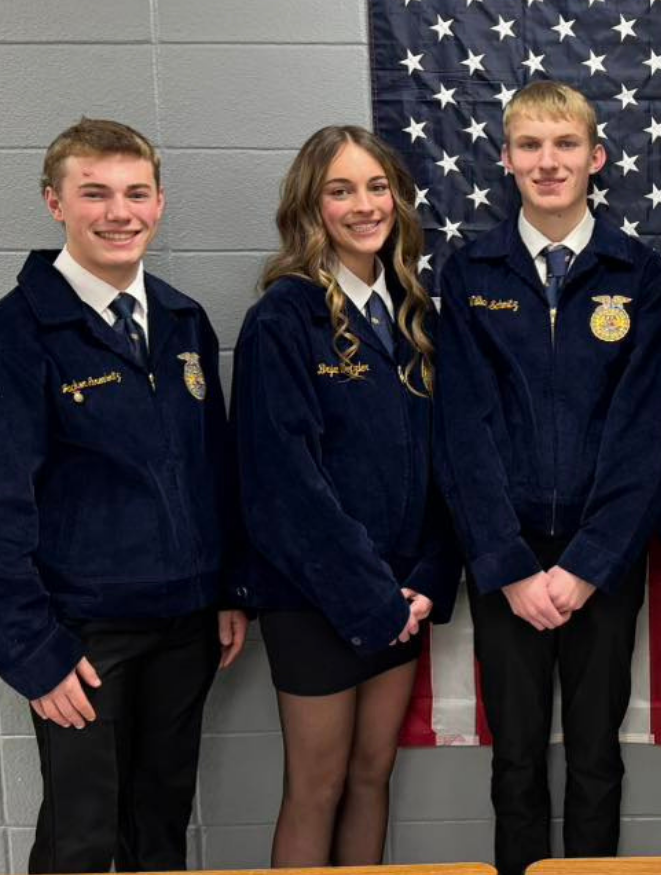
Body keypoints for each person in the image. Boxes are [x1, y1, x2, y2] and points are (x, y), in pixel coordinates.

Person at [0, 118, 249, 873]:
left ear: (160, 203)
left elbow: (213, 469)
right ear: (54, 203)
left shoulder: (181, 320)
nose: (119, 212)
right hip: (82, 639)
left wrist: (228, 586)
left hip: (186, 624)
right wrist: (34, 654)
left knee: (161, 828)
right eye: (95, 193)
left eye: (136, 193)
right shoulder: (1, 345)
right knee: (82, 835)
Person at [433, 81, 661, 875]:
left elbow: (646, 436)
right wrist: (506, 566)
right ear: (504, 160)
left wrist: (587, 566)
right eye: (530, 146)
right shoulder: (470, 273)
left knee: (598, 756)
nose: (549, 162)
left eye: (565, 145)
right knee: (516, 761)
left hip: (601, 563)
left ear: (596, 158)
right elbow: (460, 431)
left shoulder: (639, 275)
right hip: (505, 562)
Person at [233, 124, 458, 866]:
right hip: (320, 599)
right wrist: (371, 598)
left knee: (372, 774)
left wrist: (424, 580)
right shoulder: (283, 319)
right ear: (310, 205)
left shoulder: (413, 314)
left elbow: (442, 465)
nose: (364, 205)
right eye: (341, 190)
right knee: (318, 785)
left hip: (402, 597)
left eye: (375, 186)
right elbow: (283, 487)